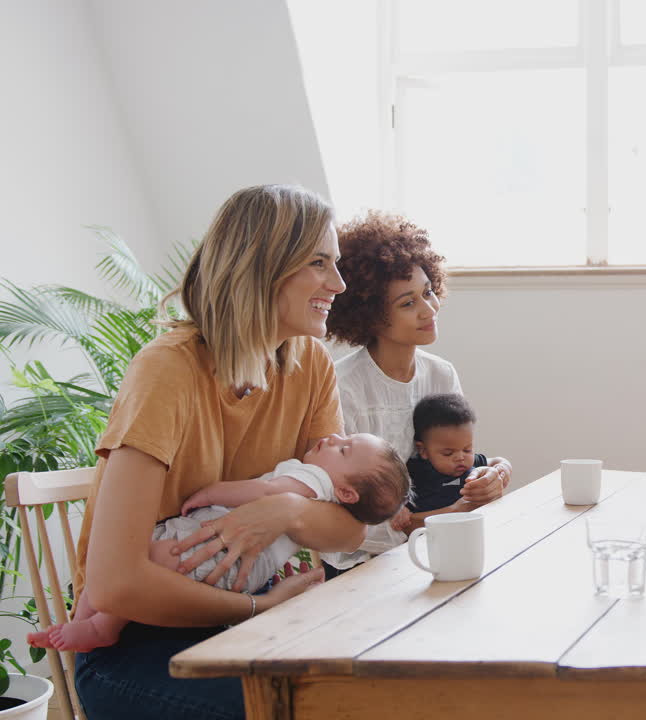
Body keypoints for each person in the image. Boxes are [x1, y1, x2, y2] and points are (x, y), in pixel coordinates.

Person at [72, 184, 368, 720]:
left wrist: (283, 510)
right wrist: (258, 606)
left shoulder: (310, 363)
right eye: (318, 262)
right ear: (262, 266)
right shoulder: (168, 370)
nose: (338, 283)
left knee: (396, 683)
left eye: (336, 263)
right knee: (316, 709)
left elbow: (348, 530)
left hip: (256, 622)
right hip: (140, 641)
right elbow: (114, 585)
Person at [30, 433, 409, 653]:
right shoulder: (327, 490)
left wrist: (214, 492)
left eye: (344, 449)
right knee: (124, 563)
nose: (334, 437)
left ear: (346, 492)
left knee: (151, 558)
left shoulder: (314, 481)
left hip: (230, 555)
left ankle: (101, 626)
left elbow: (265, 491)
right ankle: (89, 624)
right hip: (234, 559)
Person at [322, 211, 511, 575]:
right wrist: (446, 515)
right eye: (408, 303)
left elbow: (455, 459)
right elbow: (345, 509)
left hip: (433, 545)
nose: (429, 309)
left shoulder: (441, 374)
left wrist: (496, 472)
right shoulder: (343, 386)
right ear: (370, 315)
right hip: (361, 561)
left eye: (428, 292)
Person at [385, 393, 510, 536]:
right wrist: (400, 510)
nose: (461, 458)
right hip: (430, 537)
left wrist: (504, 467)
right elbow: (395, 498)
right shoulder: (415, 473)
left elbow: (496, 461)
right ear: (423, 450)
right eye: (448, 453)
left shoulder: (471, 464)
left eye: (467, 449)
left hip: (470, 531)